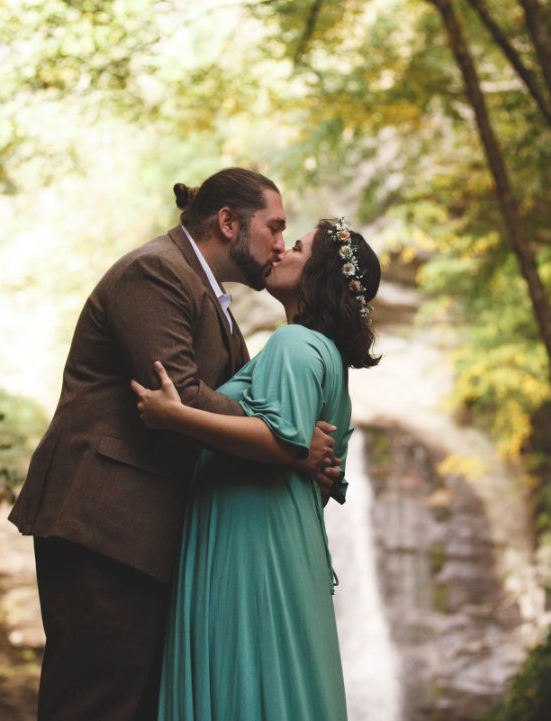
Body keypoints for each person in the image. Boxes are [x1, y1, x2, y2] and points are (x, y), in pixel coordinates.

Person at [7, 168, 339, 721]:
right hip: (105, 525)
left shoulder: (213, 297)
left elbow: (236, 411)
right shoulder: (155, 272)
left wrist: (295, 453)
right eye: (275, 228)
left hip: (146, 538)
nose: (281, 245)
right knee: (92, 704)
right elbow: (178, 396)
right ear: (229, 222)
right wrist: (288, 444)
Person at [132, 217, 382, 721]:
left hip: (254, 547)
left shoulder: (295, 345)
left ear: (320, 275)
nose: (280, 252)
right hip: (280, 541)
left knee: (241, 680)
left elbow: (281, 438)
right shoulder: (327, 359)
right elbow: (322, 466)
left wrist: (176, 415)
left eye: (297, 247)